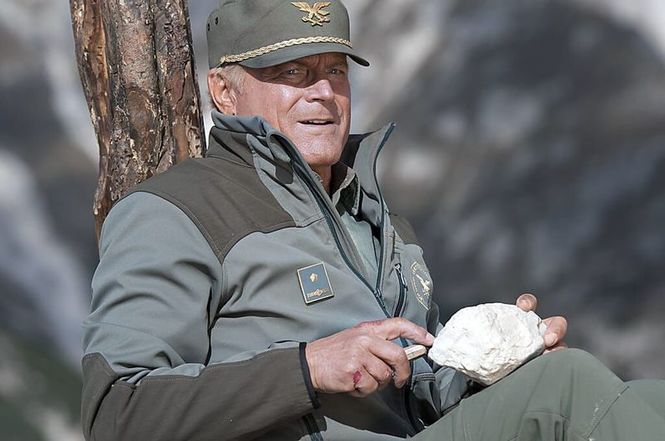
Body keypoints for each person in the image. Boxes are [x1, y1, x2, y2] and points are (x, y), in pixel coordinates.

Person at [81, 1, 665, 440]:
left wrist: (491, 367)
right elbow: (114, 412)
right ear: (223, 92)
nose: (323, 93)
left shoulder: (380, 218)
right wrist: (308, 368)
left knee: (645, 399)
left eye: (335, 70)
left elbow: (420, 397)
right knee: (569, 390)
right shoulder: (176, 212)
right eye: (291, 73)